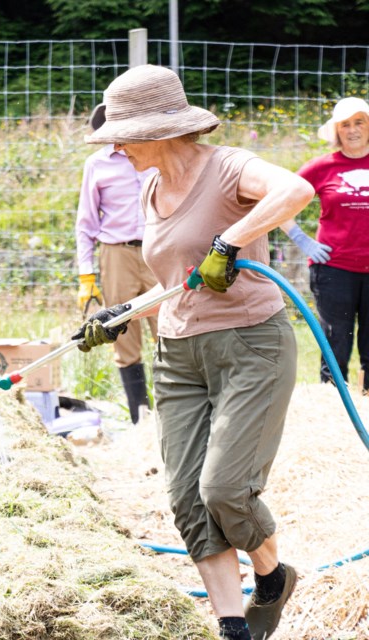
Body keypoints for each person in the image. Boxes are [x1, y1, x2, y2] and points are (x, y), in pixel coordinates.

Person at [75, 65, 314, 640]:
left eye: (121, 136)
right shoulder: (151, 185)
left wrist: (229, 241)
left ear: (158, 132)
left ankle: (273, 576)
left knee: (225, 490)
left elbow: (296, 190)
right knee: (188, 498)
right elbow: (183, 281)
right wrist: (123, 314)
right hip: (178, 356)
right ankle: (232, 627)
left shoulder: (228, 167)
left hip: (250, 345)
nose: (113, 147)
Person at [75, 107, 159, 423]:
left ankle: (174, 413)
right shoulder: (96, 165)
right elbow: (85, 222)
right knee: (122, 330)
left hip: (158, 248)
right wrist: (86, 274)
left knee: (170, 328)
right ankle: (141, 416)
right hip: (116, 253)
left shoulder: (155, 156)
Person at [296, 96, 369, 391]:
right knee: (335, 346)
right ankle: (335, 411)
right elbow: (276, 200)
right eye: (345, 125)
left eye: (359, 122)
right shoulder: (321, 167)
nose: (352, 130)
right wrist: (302, 240)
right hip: (333, 269)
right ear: (336, 131)